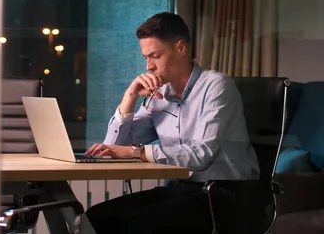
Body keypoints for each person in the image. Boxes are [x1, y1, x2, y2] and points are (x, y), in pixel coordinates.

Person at [84, 12, 260, 233]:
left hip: (224, 194)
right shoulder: (159, 94)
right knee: (96, 218)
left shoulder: (216, 86)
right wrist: (129, 97)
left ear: (180, 48)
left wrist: (135, 152)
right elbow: (113, 146)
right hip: (184, 189)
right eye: (145, 57)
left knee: (135, 224)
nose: (149, 66)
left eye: (155, 56)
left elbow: (201, 154)